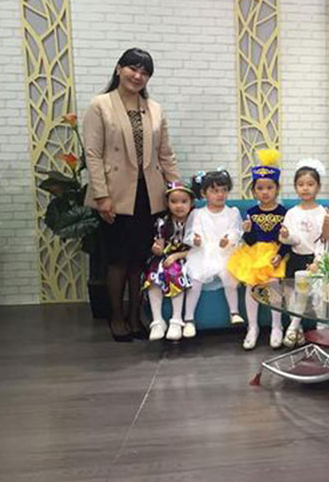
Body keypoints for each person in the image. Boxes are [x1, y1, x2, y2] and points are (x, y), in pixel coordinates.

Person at [83, 48, 180, 341]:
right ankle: (116, 317)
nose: (138, 76)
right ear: (119, 69)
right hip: (115, 194)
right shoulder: (101, 105)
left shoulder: (155, 109)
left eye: (144, 72)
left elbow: (166, 154)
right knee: (117, 260)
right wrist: (101, 196)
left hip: (149, 195)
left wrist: (176, 189)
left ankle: (136, 317)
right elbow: (92, 154)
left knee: (140, 260)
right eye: (133, 69)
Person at [227, 149, 289, 350]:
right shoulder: (251, 212)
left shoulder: (283, 212)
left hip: (276, 254)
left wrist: (279, 255)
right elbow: (251, 241)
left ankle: (277, 326)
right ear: (253, 191)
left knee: (273, 284)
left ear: (277, 189)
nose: (265, 192)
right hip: (254, 254)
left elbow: (285, 240)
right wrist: (247, 232)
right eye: (260, 188)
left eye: (269, 187)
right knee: (251, 285)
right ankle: (252, 327)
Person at [182, 169, 243, 339]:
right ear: (204, 193)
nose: (220, 194)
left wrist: (228, 240)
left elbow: (236, 231)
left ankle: (234, 312)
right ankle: (188, 319)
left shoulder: (232, 212)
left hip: (225, 252)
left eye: (224, 190)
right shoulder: (198, 214)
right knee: (196, 279)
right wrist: (196, 240)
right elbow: (192, 234)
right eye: (215, 191)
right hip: (203, 252)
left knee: (229, 275)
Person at [279, 159, 329, 347]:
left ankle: (322, 330)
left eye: (310, 184)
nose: (305, 188)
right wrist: (286, 235)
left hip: (315, 260)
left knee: (318, 297)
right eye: (301, 184)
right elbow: (292, 240)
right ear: (295, 187)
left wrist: (318, 260)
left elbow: (324, 239)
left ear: (318, 187)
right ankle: (296, 329)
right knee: (293, 297)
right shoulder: (291, 213)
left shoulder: (322, 212)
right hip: (295, 258)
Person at [142, 181, 194, 341]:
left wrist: (176, 256)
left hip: (187, 256)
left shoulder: (195, 221)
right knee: (154, 274)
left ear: (191, 203)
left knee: (174, 271)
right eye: (174, 201)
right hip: (165, 257)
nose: (179, 206)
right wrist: (156, 249)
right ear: (167, 203)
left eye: (184, 201)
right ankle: (157, 321)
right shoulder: (163, 222)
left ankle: (176, 320)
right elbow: (159, 246)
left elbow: (197, 249)